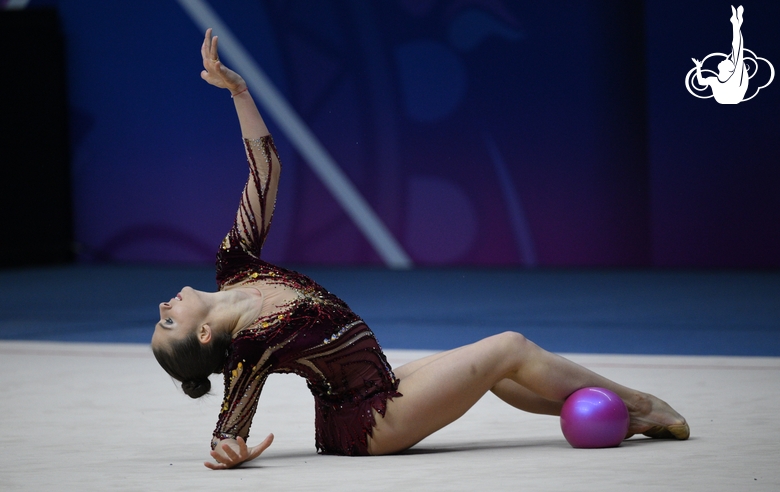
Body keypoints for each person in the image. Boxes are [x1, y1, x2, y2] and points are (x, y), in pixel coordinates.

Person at [151, 29, 689, 470]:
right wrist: (229, 449)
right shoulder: (248, 343)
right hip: (369, 422)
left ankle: (619, 417)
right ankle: (641, 405)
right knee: (509, 347)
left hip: (380, 387)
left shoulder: (235, 265)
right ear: (204, 334)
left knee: (500, 373)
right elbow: (229, 424)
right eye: (168, 324)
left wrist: (240, 94)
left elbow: (265, 173)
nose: (162, 308)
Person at [692, 5, 748, 104]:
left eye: (726, 61)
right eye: (728, 61)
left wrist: (698, 67)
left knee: (737, 51)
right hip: (731, 96)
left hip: (733, 95)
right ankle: (736, 24)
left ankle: (736, 24)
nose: (724, 59)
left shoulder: (725, 78)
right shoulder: (716, 79)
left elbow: (738, 49)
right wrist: (698, 67)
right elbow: (701, 82)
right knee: (737, 52)